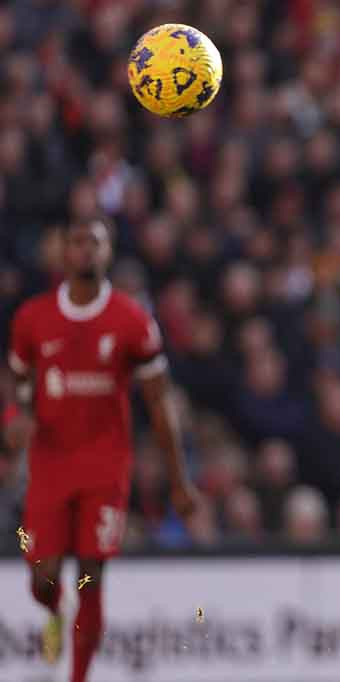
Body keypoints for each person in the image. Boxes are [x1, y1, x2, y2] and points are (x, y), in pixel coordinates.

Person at [5, 218, 200, 682]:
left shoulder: (131, 321)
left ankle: (78, 676)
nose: (86, 251)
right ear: (62, 251)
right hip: (50, 464)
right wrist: (15, 422)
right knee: (42, 575)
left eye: (95, 242)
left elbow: (160, 403)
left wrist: (178, 480)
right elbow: (17, 385)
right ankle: (54, 610)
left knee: (90, 574)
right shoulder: (33, 319)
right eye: (77, 241)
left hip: (105, 465)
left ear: (107, 251)